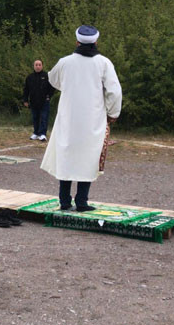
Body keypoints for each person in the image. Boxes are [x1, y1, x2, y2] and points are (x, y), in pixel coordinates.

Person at [41, 25, 122, 211]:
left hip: (68, 118)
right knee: (88, 158)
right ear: (96, 42)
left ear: (77, 41)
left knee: (66, 157)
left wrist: (69, 85)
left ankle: (64, 201)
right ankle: (82, 202)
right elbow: (114, 91)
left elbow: (53, 79)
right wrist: (113, 113)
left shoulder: (65, 62)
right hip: (93, 119)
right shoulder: (104, 63)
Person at [23, 59, 55, 141]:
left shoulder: (47, 76)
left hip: (44, 101)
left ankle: (42, 134)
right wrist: (25, 100)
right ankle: (36, 133)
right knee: (35, 117)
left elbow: (52, 88)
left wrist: (49, 96)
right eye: (36, 65)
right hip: (33, 101)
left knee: (44, 117)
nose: (38, 66)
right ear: (34, 66)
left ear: (42, 66)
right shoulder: (29, 77)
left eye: (39, 65)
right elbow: (26, 89)